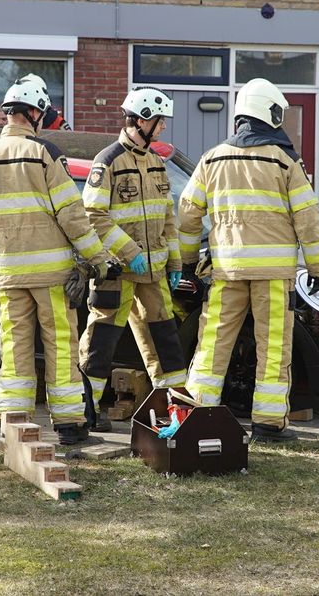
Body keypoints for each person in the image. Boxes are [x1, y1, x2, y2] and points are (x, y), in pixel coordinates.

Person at [0, 74, 112, 445]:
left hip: (6, 275)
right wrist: (99, 259)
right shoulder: (42, 153)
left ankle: (13, 420)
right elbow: (71, 213)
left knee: (13, 345)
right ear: (32, 114)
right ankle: (70, 427)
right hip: (50, 275)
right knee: (60, 346)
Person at [177, 78, 319, 443]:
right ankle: (268, 423)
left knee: (212, 344)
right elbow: (307, 218)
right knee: (273, 346)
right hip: (273, 275)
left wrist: (186, 264)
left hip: (226, 271)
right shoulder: (286, 161)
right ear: (270, 112)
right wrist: (318, 268)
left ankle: (198, 416)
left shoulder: (212, 158)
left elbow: (186, 214)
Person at [78, 88, 187, 432]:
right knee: (103, 336)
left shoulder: (156, 163)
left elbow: (167, 218)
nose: (163, 128)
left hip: (153, 274)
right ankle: (87, 410)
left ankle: (176, 411)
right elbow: (94, 214)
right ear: (142, 120)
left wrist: (175, 263)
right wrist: (130, 253)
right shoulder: (107, 161)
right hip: (117, 271)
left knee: (164, 338)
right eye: (159, 122)